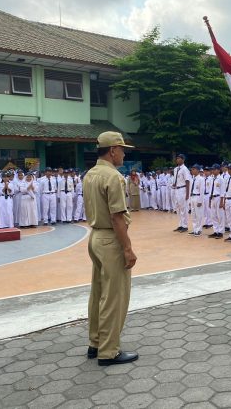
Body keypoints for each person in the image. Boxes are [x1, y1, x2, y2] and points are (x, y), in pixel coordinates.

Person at [83, 131, 139, 366]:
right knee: (114, 297)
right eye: (122, 149)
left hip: (95, 237)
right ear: (113, 150)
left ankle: (95, 343)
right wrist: (127, 248)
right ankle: (109, 351)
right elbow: (117, 217)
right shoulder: (113, 177)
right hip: (110, 239)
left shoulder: (90, 174)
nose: (124, 154)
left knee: (98, 293)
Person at [172, 154, 191, 232]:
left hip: (183, 189)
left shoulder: (185, 169)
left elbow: (187, 181)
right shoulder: (175, 169)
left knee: (184, 208)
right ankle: (180, 225)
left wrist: (187, 194)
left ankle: (185, 226)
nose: (177, 160)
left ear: (183, 160)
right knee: (178, 208)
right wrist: (174, 184)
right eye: (177, 158)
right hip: (177, 189)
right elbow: (176, 179)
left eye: (179, 158)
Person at [189, 164, 205, 236]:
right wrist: (190, 200)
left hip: (198, 197)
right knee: (193, 215)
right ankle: (194, 229)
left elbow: (202, 191)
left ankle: (199, 230)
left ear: (198, 170)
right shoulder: (192, 179)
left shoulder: (201, 179)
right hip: (192, 197)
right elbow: (190, 190)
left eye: (194, 169)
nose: (192, 170)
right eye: (192, 169)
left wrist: (200, 201)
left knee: (199, 215)